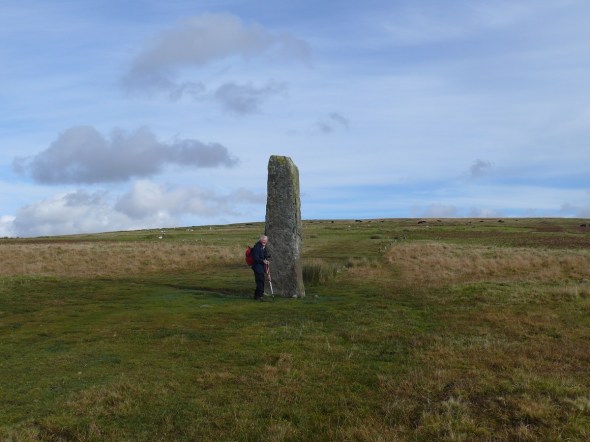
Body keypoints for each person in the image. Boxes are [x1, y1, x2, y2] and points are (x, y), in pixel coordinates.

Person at [251, 234, 270, 301]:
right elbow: (255, 258)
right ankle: (260, 296)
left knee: (260, 281)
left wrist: (266, 259)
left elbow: (264, 256)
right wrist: (263, 261)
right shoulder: (257, 247)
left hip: (261, 267)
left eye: (266, 240)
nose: (264, 241)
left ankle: (256, 296)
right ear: (260, 240)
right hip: (257, 267)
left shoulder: (262, 247)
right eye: (263, 240)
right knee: (260, 281)